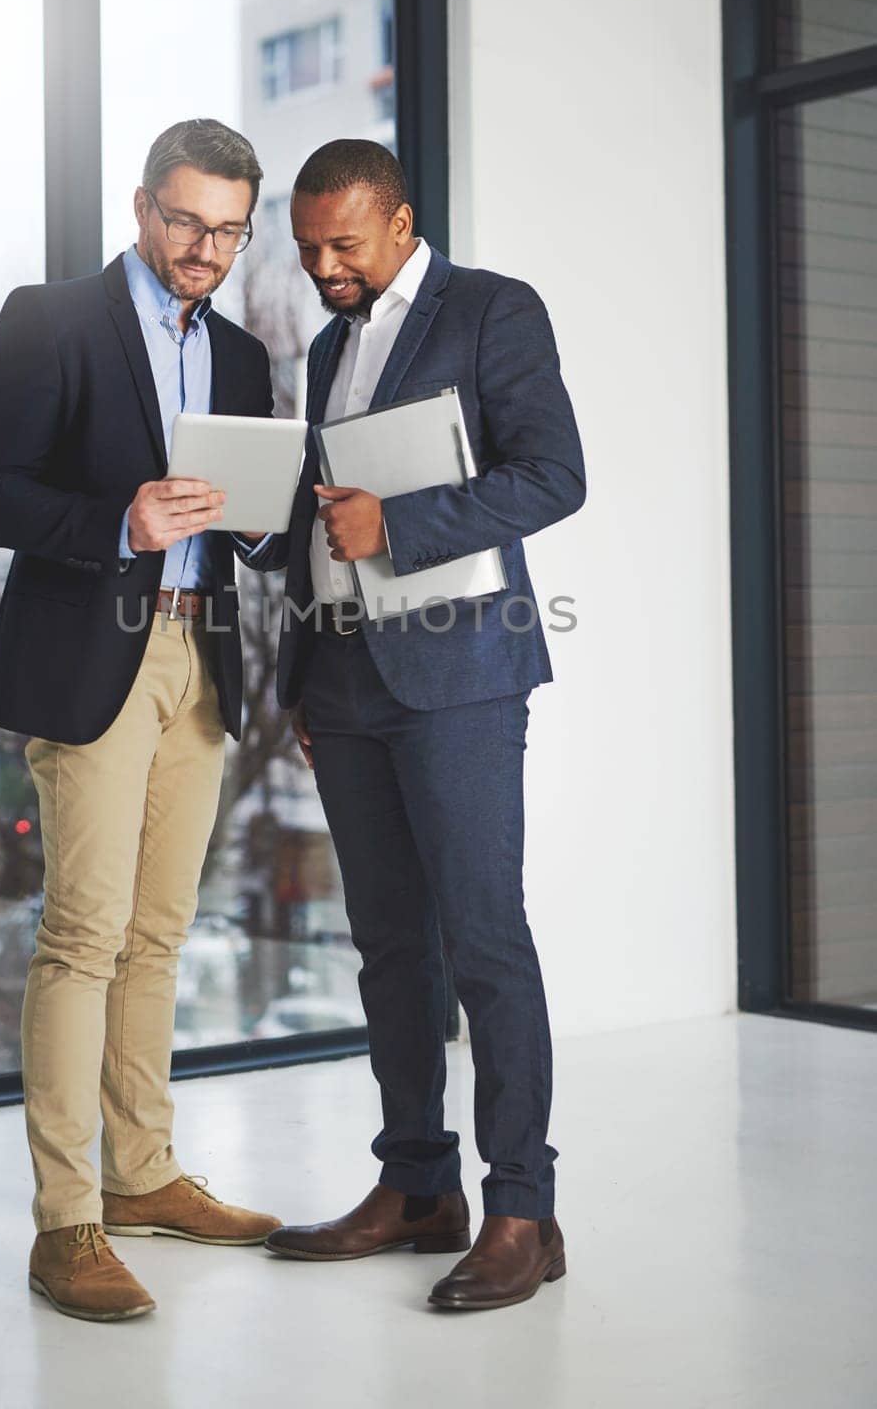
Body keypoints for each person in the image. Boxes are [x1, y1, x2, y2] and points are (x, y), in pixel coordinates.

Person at [251, 139, 585, 1311]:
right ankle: (417, 1187)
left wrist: (397, 523)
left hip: (461, 672)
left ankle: (521, 1211)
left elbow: (553, 475)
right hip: (342, 677)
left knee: (486, 941)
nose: (323, 268)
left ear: (399, 222)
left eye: (342, 244)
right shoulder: (332, 343)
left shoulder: (492, 309)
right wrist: (296, 662)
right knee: (391, 947)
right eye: (305, 251)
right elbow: (315, 514)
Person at [0, 118, 281, 1324]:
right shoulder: (49, 319)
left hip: (204, 648)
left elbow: (262, 517)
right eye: (188, 220)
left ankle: (143, 1174)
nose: (206, 247)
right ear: (144, 208)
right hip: (94, 649)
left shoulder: (244, 353)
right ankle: (66, 1224)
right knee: (84, 935)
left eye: (230, 230)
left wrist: (255, 522)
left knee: (160, 933)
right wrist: (120, 520)